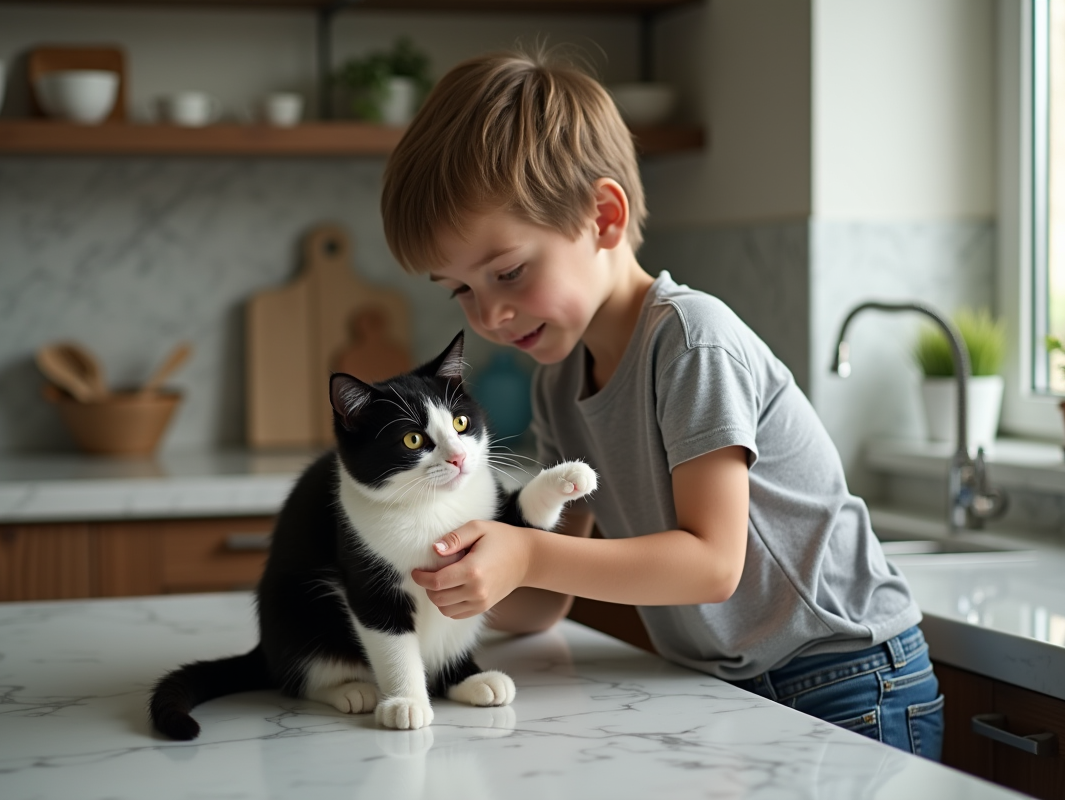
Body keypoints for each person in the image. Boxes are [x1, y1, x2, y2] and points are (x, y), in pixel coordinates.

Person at [379, 48, 944, 760]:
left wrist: (525, 550)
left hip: (849, 678)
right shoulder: (558, 382)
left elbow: (711, 564)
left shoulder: (690, 342)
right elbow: (547, 598)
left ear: (604, 217)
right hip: (735, 683)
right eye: (460, 289)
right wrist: (442, 590)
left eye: (509, 272)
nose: (488, 315)